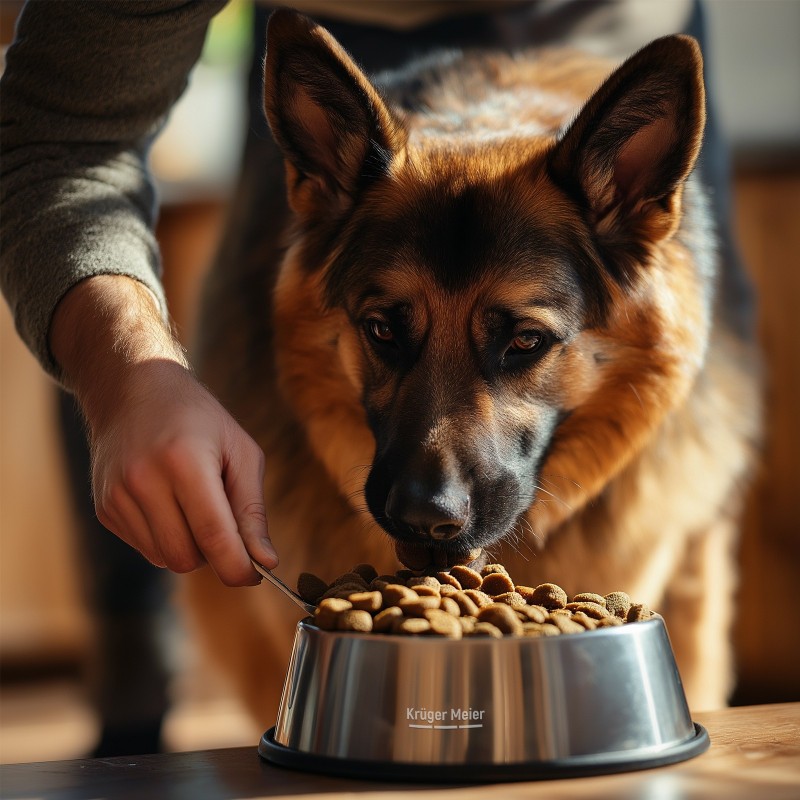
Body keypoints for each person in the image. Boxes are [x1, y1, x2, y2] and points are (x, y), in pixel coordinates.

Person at [1, 0, 751, 756]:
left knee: (680, 525)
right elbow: (58, 140)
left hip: (608, 30)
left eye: (523, 342)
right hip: (344, 24)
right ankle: (132, 661)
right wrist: (132, 378)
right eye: (387, 331)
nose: (435, 488)